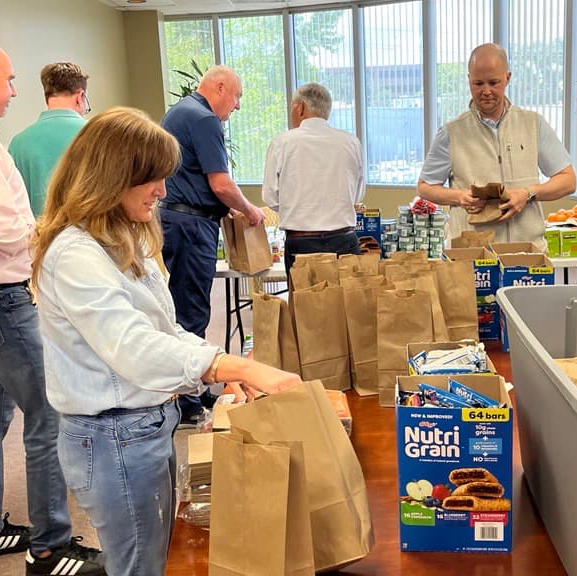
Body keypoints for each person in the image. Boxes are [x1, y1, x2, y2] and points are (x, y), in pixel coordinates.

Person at [30, 106, 302, 576]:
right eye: (152, 179)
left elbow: (164, 327)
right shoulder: (75, 254)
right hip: (112, 435)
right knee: (139, 564)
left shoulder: (123, 236)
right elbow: (133, 346)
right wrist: (231, 367)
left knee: (156, 554)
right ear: (112, 177)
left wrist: (215, 366)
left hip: (143, 427)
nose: (162, 190)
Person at [0, 34, 105, 575]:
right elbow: (2, 228)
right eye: (8, 78)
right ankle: (49, 547)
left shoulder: (0, 137)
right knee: (49, 411)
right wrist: (52, 233)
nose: (14, 88)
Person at [160, 65, 265, 425]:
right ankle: (189, 400)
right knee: (192, 314)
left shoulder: (178, 112)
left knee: (180, 311)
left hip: (176, 222)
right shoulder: (204, 119)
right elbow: (220, 184)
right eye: (235, 97)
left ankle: (186, 390)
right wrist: (250, 210)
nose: (236, 107)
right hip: (192, 226)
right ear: (219, 87)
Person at [417, 43, 576, 246]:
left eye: (494, 82)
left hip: (527, 253)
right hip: (472, 254)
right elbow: (425, 187)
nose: (486, 91)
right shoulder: (452, 133)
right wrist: (459, 196)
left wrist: (528, 193)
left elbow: (568, 180)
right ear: (468, 80)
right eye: (478, 83)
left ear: (508, 78)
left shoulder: (533, 124)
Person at [262, 82, 365, 274]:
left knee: (304, 303)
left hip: (301, 243)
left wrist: (297, 208)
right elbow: (357, 196)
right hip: (345, 241)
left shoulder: (282, 143)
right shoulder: (351, 142)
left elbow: (270, 197)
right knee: (348, 303)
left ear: (300, 107)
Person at [8, 62, 90, 216]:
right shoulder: (100, 136)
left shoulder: (18, 143)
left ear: (47, 98)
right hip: (90, 236)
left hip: (39, 237)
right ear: (80, 97)